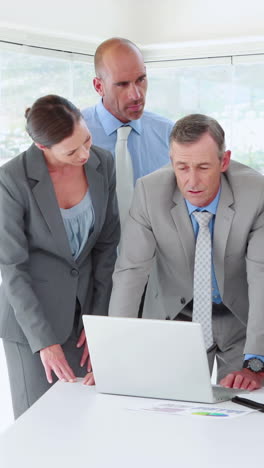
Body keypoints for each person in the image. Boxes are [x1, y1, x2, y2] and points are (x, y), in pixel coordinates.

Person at [108, 113, 264, 391]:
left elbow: (262, 277)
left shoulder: (256, 193)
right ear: (171, 162)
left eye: (203, 167)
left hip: (242, 318)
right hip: (176, 317)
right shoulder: (149, 192)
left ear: (224, 161)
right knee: (167, 409)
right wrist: (115, 355)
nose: (192, 181)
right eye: (182, 167)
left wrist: (256, 364)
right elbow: (131, 272)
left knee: (244, 409)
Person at [0, 95, 120, 418]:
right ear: (43, 147)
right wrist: (43, 341)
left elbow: (107, 247)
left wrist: (97, 323)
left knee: (86, 422)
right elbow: (12, 268)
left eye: (87, 140)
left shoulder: (102, 163)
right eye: (71, 151)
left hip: (83, 321)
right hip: (32, 329)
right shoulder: (12, 180)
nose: (84, 154)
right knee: (38, 426)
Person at [82, 37, 173, 225]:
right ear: (99, 86)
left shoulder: (169, 133)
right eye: (122, 84)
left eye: (141, 80)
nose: (136, 95)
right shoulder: (72, 135)